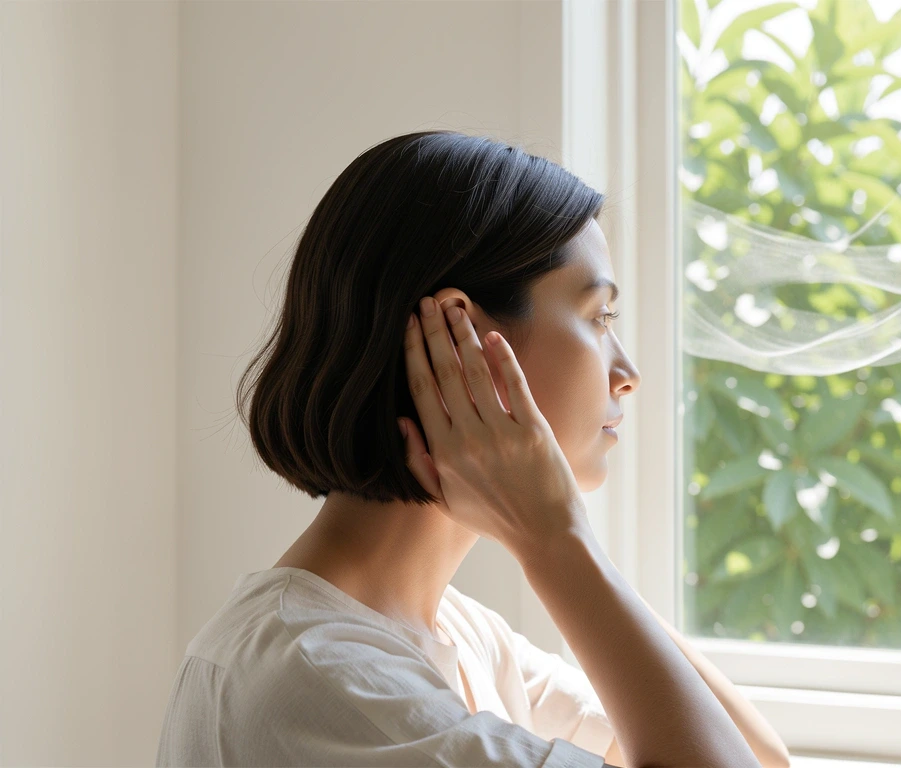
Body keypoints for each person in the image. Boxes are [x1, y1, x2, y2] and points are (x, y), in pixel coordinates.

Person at [155, 130, 791, 768]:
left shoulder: (457, 633)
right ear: (467, 341)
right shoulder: (325, 680)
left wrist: (568, 543)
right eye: (599, 318)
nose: (626, 371)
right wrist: (556, 540)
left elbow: (761, 760)